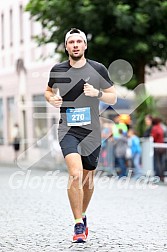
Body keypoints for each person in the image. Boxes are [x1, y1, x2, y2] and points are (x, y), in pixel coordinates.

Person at [45, 28, 117, 243]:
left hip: (92, 132)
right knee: (75, 174)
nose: (75, 45)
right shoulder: (57, 70)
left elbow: (113, 97)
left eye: (79, 41)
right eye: (71, 42)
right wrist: (52, 99)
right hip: (68, 129)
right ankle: (78, 224)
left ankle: (83, 215)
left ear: (85, 45)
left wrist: (98, 93)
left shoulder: (98, 69)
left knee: (87, 178)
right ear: (66, 46)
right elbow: (48, 91)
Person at [151, 117, 165, 182]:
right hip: (162, 147)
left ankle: (158, 176)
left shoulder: (155, 128)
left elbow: (153, 137)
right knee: (161, 162)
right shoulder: (161, 128)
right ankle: (161, 176)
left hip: (157, 146)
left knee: (157, 162)